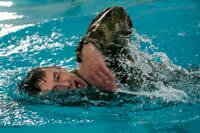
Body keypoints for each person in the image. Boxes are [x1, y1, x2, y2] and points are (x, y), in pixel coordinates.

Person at [19, 6, 154, 95]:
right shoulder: (76, 102)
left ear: (59, 67)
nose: (65, 84)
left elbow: (117, 14)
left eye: (58, 76)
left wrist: (91, 48)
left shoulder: (105, 65)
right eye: (55, 90)